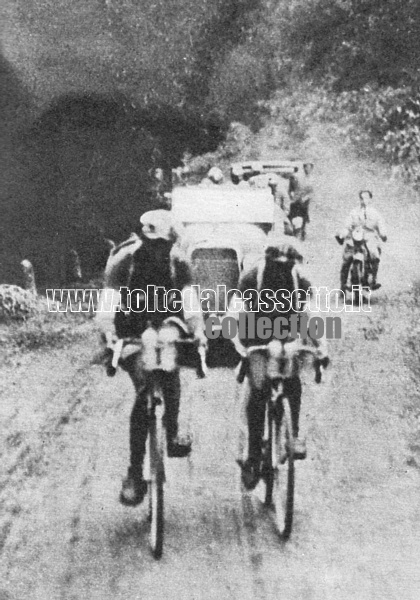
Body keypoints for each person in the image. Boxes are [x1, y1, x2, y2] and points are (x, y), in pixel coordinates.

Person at [96, 210, 205, 507]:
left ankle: (171, 433)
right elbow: (108, 307)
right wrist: (109, 333)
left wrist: (198, 331)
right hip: (129, 330)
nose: (156, 247)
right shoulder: (123, 262)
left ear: (171, 241)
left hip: (168, 327)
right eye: (150, 241)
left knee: (170, 369)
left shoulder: (179, 262)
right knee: (144, 385)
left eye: (162, 243)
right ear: (141, 238)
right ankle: (134, 472)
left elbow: (190, 303)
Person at [226, 239, 328, 490]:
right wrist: (240, 347)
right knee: (258, 389)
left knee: (293, 380)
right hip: (256, 334)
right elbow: (235, 312)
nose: (281, 266)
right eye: (276, 262)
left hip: (289, 333)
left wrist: (322, 347)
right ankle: (252, 457)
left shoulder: (301, 279)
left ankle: (293, 436)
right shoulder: (251, 277)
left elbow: (313, 314)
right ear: (267, 258)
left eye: (287, 262)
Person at [336, 190, 387, 292]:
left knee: (375, 255)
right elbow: (347, 225)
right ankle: (343, 285)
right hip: (355, 237)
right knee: (347, 259)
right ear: (359, 199)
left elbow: (381, 225)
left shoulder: (375, 213)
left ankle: (373, 279)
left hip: (370, 237)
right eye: (362, 198)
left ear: (370, 199)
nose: (364, 200)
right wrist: (342, 234)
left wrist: (383, 234)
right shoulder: (354, 212)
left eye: (367, 198)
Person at [288, 162, 314, 238]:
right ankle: (292, 232)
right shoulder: (297, 176)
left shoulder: (312, 179)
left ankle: (302, 232)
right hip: (295, 201)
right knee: (292, 216)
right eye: (306, 167)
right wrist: (292, 195)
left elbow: (311, 192)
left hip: (305, 202)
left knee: (304, 218)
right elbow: (291, 189)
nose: (308, 170)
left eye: (310, 168)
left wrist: (305, 198)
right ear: (304, 168)